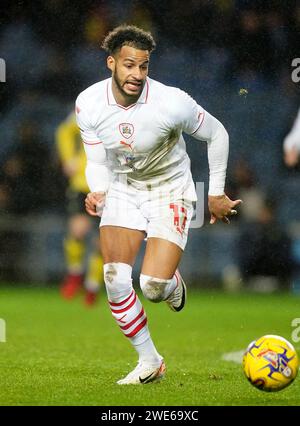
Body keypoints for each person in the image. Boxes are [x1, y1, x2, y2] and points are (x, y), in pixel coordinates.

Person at [75, 25, 241, 384]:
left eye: (144, 66)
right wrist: (99, 190)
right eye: (129, 65)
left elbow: (217, 134)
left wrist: (215, 193)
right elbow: (96, 159)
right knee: (115, 277)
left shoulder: (172, 102)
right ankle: (149, 361)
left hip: (171, 191)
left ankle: (168, 285)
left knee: (150, 285)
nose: (137, 74)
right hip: (123, 189)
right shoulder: (87, 103)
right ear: (111, 63)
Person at [55, 112, 104, 305]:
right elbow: (64, 131)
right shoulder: (90, 107)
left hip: (111, 187)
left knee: (102, 243)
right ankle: (75, 274)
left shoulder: (130, 115)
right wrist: (68, 159)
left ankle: (92, 287)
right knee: (78, 230)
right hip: (83, 183)